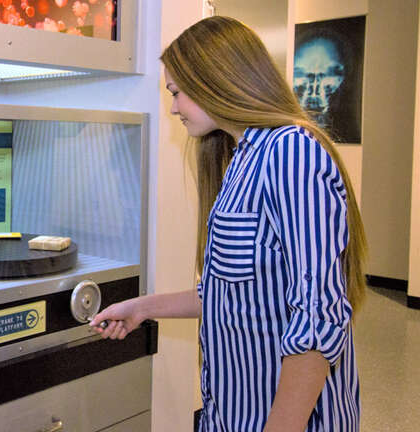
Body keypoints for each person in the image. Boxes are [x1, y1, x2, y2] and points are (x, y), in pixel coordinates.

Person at [90, 16, 365, 432]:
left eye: (177, 93)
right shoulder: (240, 159)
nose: (173, 107)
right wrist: (140, 309)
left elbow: (317, 320)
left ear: (215, 80)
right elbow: (232, 293)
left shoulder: (290, 154)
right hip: (232, 415)